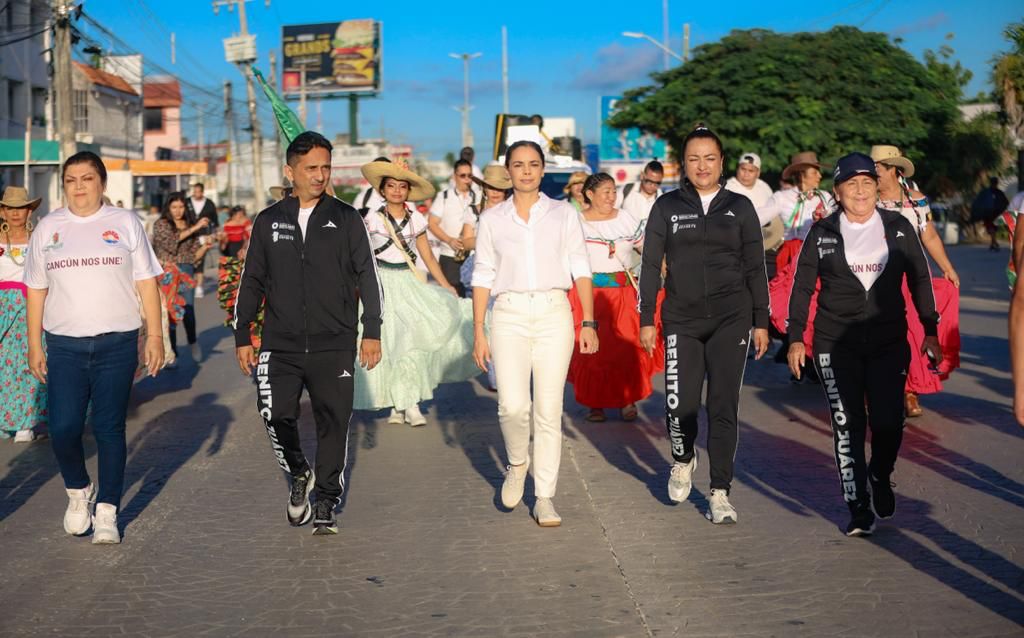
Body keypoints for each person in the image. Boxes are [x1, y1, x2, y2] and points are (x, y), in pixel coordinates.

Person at [233, 131, 383, 536]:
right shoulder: (268, 221)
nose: (320, 176)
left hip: (333, 342)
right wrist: (242, 333)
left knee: (333, 421)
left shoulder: (347, 218)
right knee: (275, 413)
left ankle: (325, 502)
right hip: (280, 344)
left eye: (325, 167)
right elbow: (252, 280)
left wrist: (372, 329)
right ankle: (299, 471)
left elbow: (368, 275)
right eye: (311, 168)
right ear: (290, 171)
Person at [787, 153, 941, 537]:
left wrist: (930, 330)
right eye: (851, 184)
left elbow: (921, 279)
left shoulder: (899, 227)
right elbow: (802, 288)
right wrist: (794, 339)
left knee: (889, 422)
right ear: (837, 191)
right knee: (847, 423)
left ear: (877, 187)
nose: (860, 190)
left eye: (867, 183)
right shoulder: (822, 232)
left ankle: (881, 473)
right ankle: (857, 508)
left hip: (889, 342)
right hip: (835, 344)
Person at [24, 151, 165, 544]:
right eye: (71, 179)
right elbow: (35, 289)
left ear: (101, 183)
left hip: (117, 344)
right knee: (63, 427)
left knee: (108, 428)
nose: (79, 186)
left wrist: (153, 335)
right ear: (64, 184)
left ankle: (107, 510)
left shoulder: (124, 223)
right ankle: (78, 490)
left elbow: (146, 282)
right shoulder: (48, 229)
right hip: (64, 345)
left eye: (87, 178)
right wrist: (34, 343)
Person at [638, 125, 770, 525]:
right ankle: (682, 458)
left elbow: (755, 266)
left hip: (733, 318)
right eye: (694, 159)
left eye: (709, 158)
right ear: (684, 164)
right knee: (680, 404)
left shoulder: (741, 207)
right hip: (681, 318)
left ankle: (719, 492)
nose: (702, 166)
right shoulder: (666, 206)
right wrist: (647, 319)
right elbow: (648, 264)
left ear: (722, 162)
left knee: (723, 405)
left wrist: (760, 321)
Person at [471, 140, 597, 527]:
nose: (526, 171)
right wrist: (479, 330)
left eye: (533, 164)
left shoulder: (563, 214)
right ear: (507, 171)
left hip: (553, 313)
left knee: (547, 410)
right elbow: (483, 274)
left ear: (543, 170)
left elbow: (581, 267)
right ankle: (516, 462)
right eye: (519, 164)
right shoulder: (492, 219)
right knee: (511, 405)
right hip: (507, 314)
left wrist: (588, 322)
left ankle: (544, 496)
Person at [355, 159, 478, 425]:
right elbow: (359, 257)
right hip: (379, 286)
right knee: (387, 344)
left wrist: (446, 287)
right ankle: (395, 405)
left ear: (408, 191)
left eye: (402, 187)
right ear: (382, 190)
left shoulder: (417, 220)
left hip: (408, 283)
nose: (397, 191)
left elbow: (429, 259)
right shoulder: (371, 219)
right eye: (392, 186)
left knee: (411, 343)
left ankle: (410, 403)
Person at [872, 145, 962, 418]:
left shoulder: (915, 200)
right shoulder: (863, 199)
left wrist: (947, 268)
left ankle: (910, 390)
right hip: (872, 277)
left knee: (916, 332)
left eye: (877, 168)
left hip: (910, 277)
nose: (872, 174)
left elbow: (930, 237)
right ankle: (871, 388)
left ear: (893, 170)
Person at [570, 173, 661, 422]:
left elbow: (647, 249)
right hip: (588, 296)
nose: (612, 197)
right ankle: (594, 404)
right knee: (591, 351)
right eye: (606, 192)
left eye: (614, 191)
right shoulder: (576, 222)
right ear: (589, 194)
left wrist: (664, 266)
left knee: (626, 347)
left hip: (623, 295)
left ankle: (627, 399)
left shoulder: (625, 219)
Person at [758, 151, 834, 378]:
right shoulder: (782, 197)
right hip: (790, 256)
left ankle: (810, 358)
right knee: (785, 304)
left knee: (814, 306)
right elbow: (757, 217)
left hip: (818, 254)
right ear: (802, 175)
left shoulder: (825, 197)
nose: (819, 176)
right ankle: (792, 345)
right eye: (814, 172)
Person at [459, 163, 512, 391]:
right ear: (484, 187)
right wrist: (487, 239)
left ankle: (508, 372)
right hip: (479, 269)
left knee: (505, 322)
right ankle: (495, 377)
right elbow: (465, 240)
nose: (495, 191)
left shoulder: (513, 209)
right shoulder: (473, 210)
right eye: (491, 186)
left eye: (500, 186)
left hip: (507, 269)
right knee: (488, 323)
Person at [0, 186, 47, 442]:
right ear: (3, 212)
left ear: (29, 210)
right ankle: (6, 418)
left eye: (21, 208)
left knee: (28, 360)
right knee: (3, 364)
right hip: (1, 307)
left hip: (32, 303)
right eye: (10, 208)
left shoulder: (40, 238)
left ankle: (25, 422)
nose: (15, 213)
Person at [151, 192, 211, 365]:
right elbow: (170, 242)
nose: (178, 211)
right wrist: (195, 228)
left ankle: (193, 342)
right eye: (174, 207)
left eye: (181, 207)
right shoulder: (161, 224)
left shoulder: (190, 224)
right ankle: (173, 352)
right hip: (166, 272)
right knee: (169, 312)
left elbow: (193, 256)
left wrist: (206, 246)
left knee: (188, 309)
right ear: (168, 208)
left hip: (185, 270)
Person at [725, 152, 783, 279]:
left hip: (765, 245)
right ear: (738, 169)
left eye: (751, 171)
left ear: (758, 173)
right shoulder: (728, 188)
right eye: (743, 169)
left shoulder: (764, 187)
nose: (746, 174)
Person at [429, 159, 479, 296]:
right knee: (452, 297)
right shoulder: (444, 196)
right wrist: (449, 240)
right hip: (450, 256)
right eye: (463, 176)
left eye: (470, 175)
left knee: (473, 297)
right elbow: (432, 223)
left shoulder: (480, 196)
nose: (467, 179)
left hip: (473, 255)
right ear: (454, 176)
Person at [185, 183, 218, 298]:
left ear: (202, 192)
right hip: (189, 235)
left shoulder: (209, 204)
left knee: (200, 261)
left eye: (198, 191)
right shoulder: (186, 202)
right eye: (195, 191)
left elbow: (215, 222)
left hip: (204, 235)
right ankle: (189, 283)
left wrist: (214, 234)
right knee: (189, 260)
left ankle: (199, 286)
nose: (196, 193)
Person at [971, 177, 1009, 251]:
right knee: (993, 228)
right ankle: (994, 242)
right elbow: (1005, 203)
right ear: (996, 183)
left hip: (988, 213)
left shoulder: (986, 192)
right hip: (995, 213)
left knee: (991, 228)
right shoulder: (999, 192)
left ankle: (993, 243)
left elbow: (978, 202)